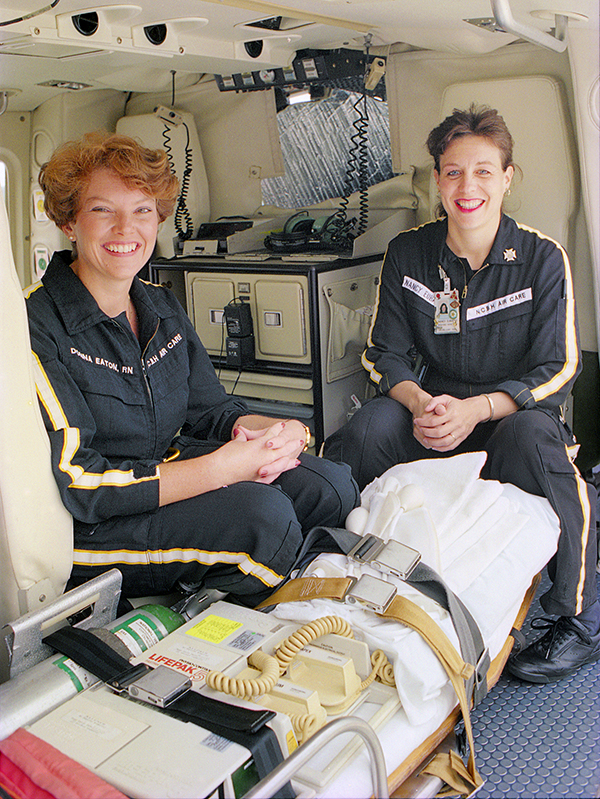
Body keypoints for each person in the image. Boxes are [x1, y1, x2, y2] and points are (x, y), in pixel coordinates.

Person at [323, 104, 599, 683]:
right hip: (436, 412)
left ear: (507, 177)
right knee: (369, 427)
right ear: (437, 181)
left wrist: (481, 408)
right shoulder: (409, 253)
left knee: (535, 441)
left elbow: (561, 366)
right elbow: (383, 354)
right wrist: (420, 403)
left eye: (481, 171)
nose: (466, 187)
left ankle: (574, 615)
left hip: (512, 416)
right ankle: (333, 571)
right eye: (452, 172)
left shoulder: (544, 259)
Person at [26, 131, 359, 608]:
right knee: (263, 519)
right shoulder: (36, 325)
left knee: (330, 487)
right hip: (93, 525)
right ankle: (239, 615)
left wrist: (279, 431)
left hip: (167, 473)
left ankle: (293, 586)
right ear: (69, 222)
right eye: (103, 210)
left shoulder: (158, 304)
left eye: (142, 210)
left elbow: (213, 413)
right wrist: (224, 468)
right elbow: (82, 480)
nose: (127, 228)